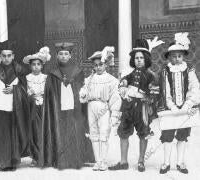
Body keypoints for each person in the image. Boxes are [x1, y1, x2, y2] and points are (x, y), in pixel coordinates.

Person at [109, 38, 161, 172]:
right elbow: (125, 81)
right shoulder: (131, 74)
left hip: (142, 109)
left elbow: (154, 94)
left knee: (143, 133)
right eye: (136, 58)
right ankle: (123, 161)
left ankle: (141, 161)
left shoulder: (151, 76)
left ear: (146, 59)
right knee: (123, 132)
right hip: (128, 108)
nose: (138, 60)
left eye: (141, 58)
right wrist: (124, 83)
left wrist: (146, 96)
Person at [40, 42, 94, 169]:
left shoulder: (77, 71)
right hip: (58, 107)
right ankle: (60, 160)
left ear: (70, 55)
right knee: (60, 131)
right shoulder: (52, 73)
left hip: (74, 107)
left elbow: (82, 89)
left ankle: (76, 160)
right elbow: (49, 93)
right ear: (57, 56)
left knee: (74, 130)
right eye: (61, 54)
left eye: (66, 54)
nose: (63, 56)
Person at [158, 32, 200, 174]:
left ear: (183, 56)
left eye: (179, 56)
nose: (177, 59)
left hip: (185, 107)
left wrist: (188, 103)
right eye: (174, 56)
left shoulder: (188, 69)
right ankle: (166, 162)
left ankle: (180, 162)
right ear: (169, 57)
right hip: (170, 108)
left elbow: (194, 87)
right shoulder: (165, 70)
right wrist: (172, 106)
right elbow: (165, 90)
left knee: (182, 134)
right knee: (167, 135)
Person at [0, 40, 30, 173]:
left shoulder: (20, 70)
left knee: (13, 135)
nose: (6, 58)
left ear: (13, 56)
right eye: (3, 55)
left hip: (14, 108)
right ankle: (0, 162)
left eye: (9, 55)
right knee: (0, 135)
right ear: (0, 56)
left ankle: (12, 162)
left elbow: (25, 89)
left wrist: (15, 89)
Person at [79, 47, 121, 171]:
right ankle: (97, 161)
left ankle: (103, 160)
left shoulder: (112, 80)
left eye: (101, 65)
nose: (98, 67)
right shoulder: (89, 79)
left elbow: (115, 98)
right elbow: (84, 93)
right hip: (91, 107)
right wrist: (83, 94)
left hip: (104, 108)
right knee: (94, 134)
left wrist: (114, 114)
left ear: (106, 65)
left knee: (104, 133)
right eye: (96, 65)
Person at [23, 46, 50, 166]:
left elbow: (49, 92)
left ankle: (44, 156)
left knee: (43, 130)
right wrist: (31, 97)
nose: (36, 67)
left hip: (43, 107)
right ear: (30, 66)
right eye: (33, 64)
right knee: (34, 131)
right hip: (32, 107)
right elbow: (24, 92)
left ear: (42, 66)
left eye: (38, 64)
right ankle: (35, 156)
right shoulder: (27, 78)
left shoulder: (46, 78)